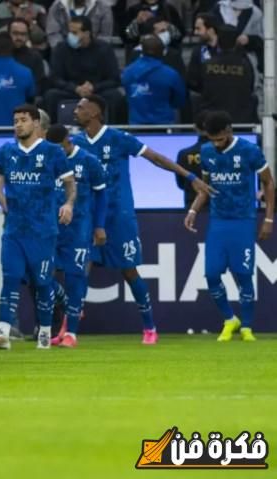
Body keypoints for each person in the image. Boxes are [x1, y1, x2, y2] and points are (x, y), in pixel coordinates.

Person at [71, 95, 215, 344]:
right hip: (86, 216)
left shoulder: (118, 138)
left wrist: (191, 178)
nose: (75, 110)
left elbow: (156, 158)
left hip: (119, 216)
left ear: (95, 112)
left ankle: (149, 327)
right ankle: (70, 331)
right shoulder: (76, 143)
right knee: (80, 268)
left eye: (80, 107)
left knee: (129, 271)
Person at [0, 104, 77, 350]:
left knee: (42, 282)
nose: (18, 125)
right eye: (15, 120)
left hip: (43, 230)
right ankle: (3, 333)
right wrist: (4, 205)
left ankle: (45, 332)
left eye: (23, 120)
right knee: (10, 278)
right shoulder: (6, 152)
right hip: (14, 230)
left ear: (36, 123)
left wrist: (68, 204)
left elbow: (70, 183)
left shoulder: (52, 152)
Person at [184, 110, 274, 342]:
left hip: (243, 219)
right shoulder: (206, 152)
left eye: (220, 139)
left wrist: (268, 219)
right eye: (212, 140)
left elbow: (268, 182)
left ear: (229, 131)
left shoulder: (249, 150)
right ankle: (229, 319)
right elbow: (206, 187)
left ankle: (247, 327)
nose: (216, 144)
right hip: (218, 220)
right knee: (212, 274)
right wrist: (193, 210)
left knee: (243, 274)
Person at [45, 124, 107, 347]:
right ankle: (66, 310)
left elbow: (102, 195)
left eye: (59, 147)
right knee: (41, 276)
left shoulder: (89, 161)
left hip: (79, 228)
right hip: (51, 227)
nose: (56, 152)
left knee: (75, 278)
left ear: (68, 141)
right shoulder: (48, 159)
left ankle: (71, 333)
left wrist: (99, 226)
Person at [44, 15, 121, 123]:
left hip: (97, 91)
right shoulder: (61, 48)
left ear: (87, 33)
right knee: (51, 95)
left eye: (75, 33)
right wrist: (76, 88)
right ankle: (53, 131)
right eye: (69, 32)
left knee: (115, 96)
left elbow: (114, 79)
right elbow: (55, 78)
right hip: (71, 90)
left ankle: (111, 130)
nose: (70, 36)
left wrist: (94, 87)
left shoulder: (104, 49)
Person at [121, 34, 185, 125]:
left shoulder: (128, 71)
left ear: (142, 51)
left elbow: (127, 95)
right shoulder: (171, 74)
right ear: (162, 52)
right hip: (164, 124)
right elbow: (180, 100)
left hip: (135, 124)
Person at [198, 25, 257, 123]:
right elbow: (250, 87)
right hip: (240, 120)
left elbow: (199, 86)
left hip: (213, 119)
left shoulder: (207, 65)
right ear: (236, 43)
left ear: (218, 42)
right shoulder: (245, 65)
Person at [46, 0, 113, 48]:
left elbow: (105, 35)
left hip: (94, 53)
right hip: (65, 52)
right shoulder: (57, 6)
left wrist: (95, 52)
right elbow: (53, 33)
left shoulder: (102, 6)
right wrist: (62, 50)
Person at [175, 111, 207, 208]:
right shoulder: (225, 153)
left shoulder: (183, 154)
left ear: (195, 127)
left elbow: (181, 184)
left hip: (192, 205)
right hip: (220, 206)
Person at [8, 18, 46, 97]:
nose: (19, 37)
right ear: (8, 34)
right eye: (15, 33)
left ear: (28, 36)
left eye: (23, 34)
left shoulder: (35, 57)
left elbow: (38, 85)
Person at [187, 12, 219, 93]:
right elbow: (192, 79)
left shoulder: (226, 48)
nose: (195, 32)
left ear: (211, 30)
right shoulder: (198, 51)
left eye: (198, 29)